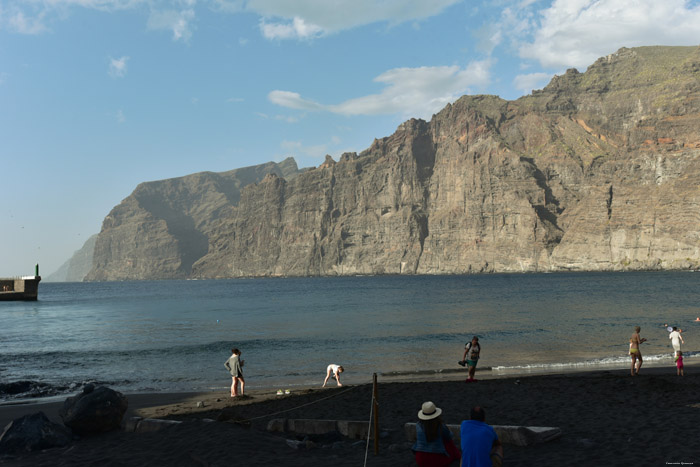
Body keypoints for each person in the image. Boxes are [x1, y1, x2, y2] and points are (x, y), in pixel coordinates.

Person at [411, 401, 461, 466]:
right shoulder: (440, 426)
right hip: (436, 459)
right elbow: (449, 436)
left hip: (421, 459)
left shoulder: (418, 425)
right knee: (448, 442)